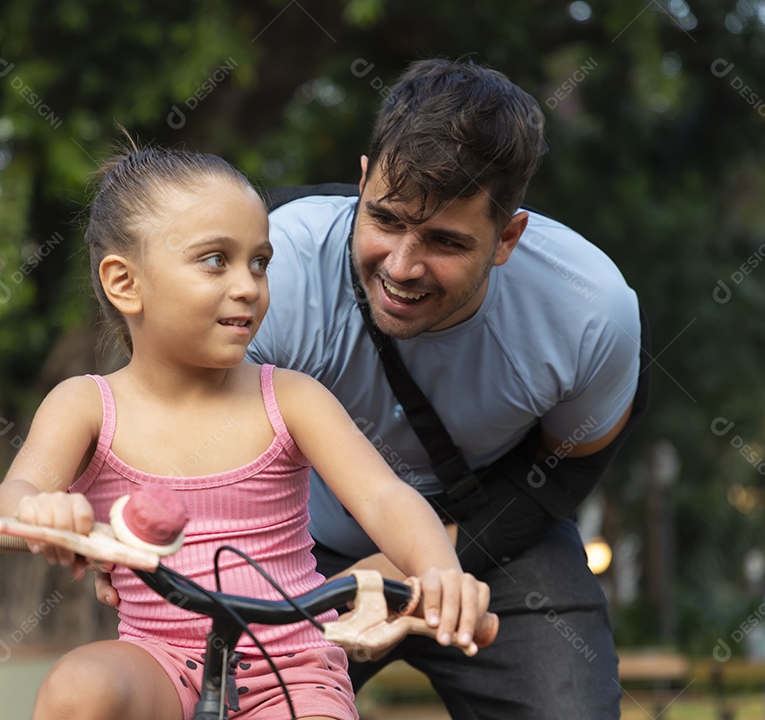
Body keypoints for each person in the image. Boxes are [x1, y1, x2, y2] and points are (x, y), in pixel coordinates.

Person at [0, 145, 498, 720]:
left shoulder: (290, 398)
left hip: (294, 668)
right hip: (161, 660)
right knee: (78, 687)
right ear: (125, 283)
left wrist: (441, 575)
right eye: (215, 261)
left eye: (259, 263)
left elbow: (384, 497)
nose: (249, 286)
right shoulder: (85, 405)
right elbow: (16, 492)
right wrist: (42, 513)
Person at [246, 58, 647, 719]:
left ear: (507, 237)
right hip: (289, 539)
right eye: (386, 220)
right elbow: (189, 432)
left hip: (490, 535)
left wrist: (411, 562)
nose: (402, 267)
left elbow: (562, 472)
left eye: (444, 241)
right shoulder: (271, 266)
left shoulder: (589, 311)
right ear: (363, 179)